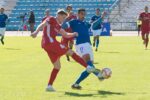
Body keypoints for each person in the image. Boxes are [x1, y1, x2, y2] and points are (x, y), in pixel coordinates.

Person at [31, 9, 100, 92]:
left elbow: (65, 34)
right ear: (59, 15)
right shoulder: (51, 18)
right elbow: (42, 24)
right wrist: (36, 32)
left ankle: (49, 86)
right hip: (50, 42)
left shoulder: (58, 25)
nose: (63, 20)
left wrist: (73, 34)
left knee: (57, 66)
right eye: (63, 17)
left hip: (47, 46)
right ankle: (88, 67)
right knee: (70, 52)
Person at [62, 8, 108, 89]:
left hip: (88, 45)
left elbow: (94, 24)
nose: (84, 15)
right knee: (89, 65)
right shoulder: (74, 22)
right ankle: (99, 75)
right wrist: (67, 18)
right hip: (81, 45)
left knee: (89, 68)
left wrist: (102, 17)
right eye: (82, 14)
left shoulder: (85, 23)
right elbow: (63, 26)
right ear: (78, 14)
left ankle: (76, 84)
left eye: (84, 14)